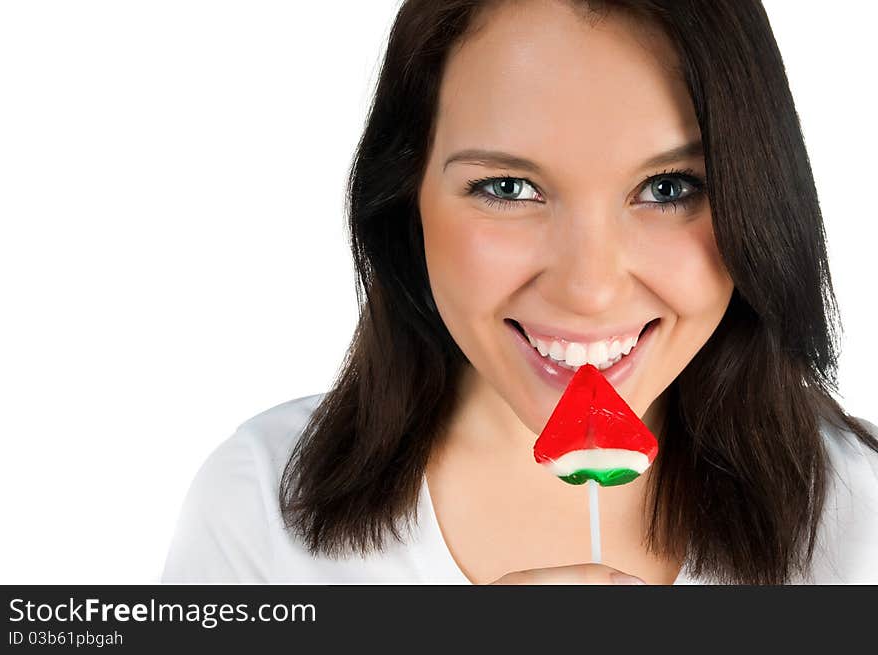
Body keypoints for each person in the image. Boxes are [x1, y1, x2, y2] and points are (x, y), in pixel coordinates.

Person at [161, 0, 878, 585]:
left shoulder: (863, 523)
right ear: (406, 199)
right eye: (508, 188)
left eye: (668, 188)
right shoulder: (261, 509)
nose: (590, 289)